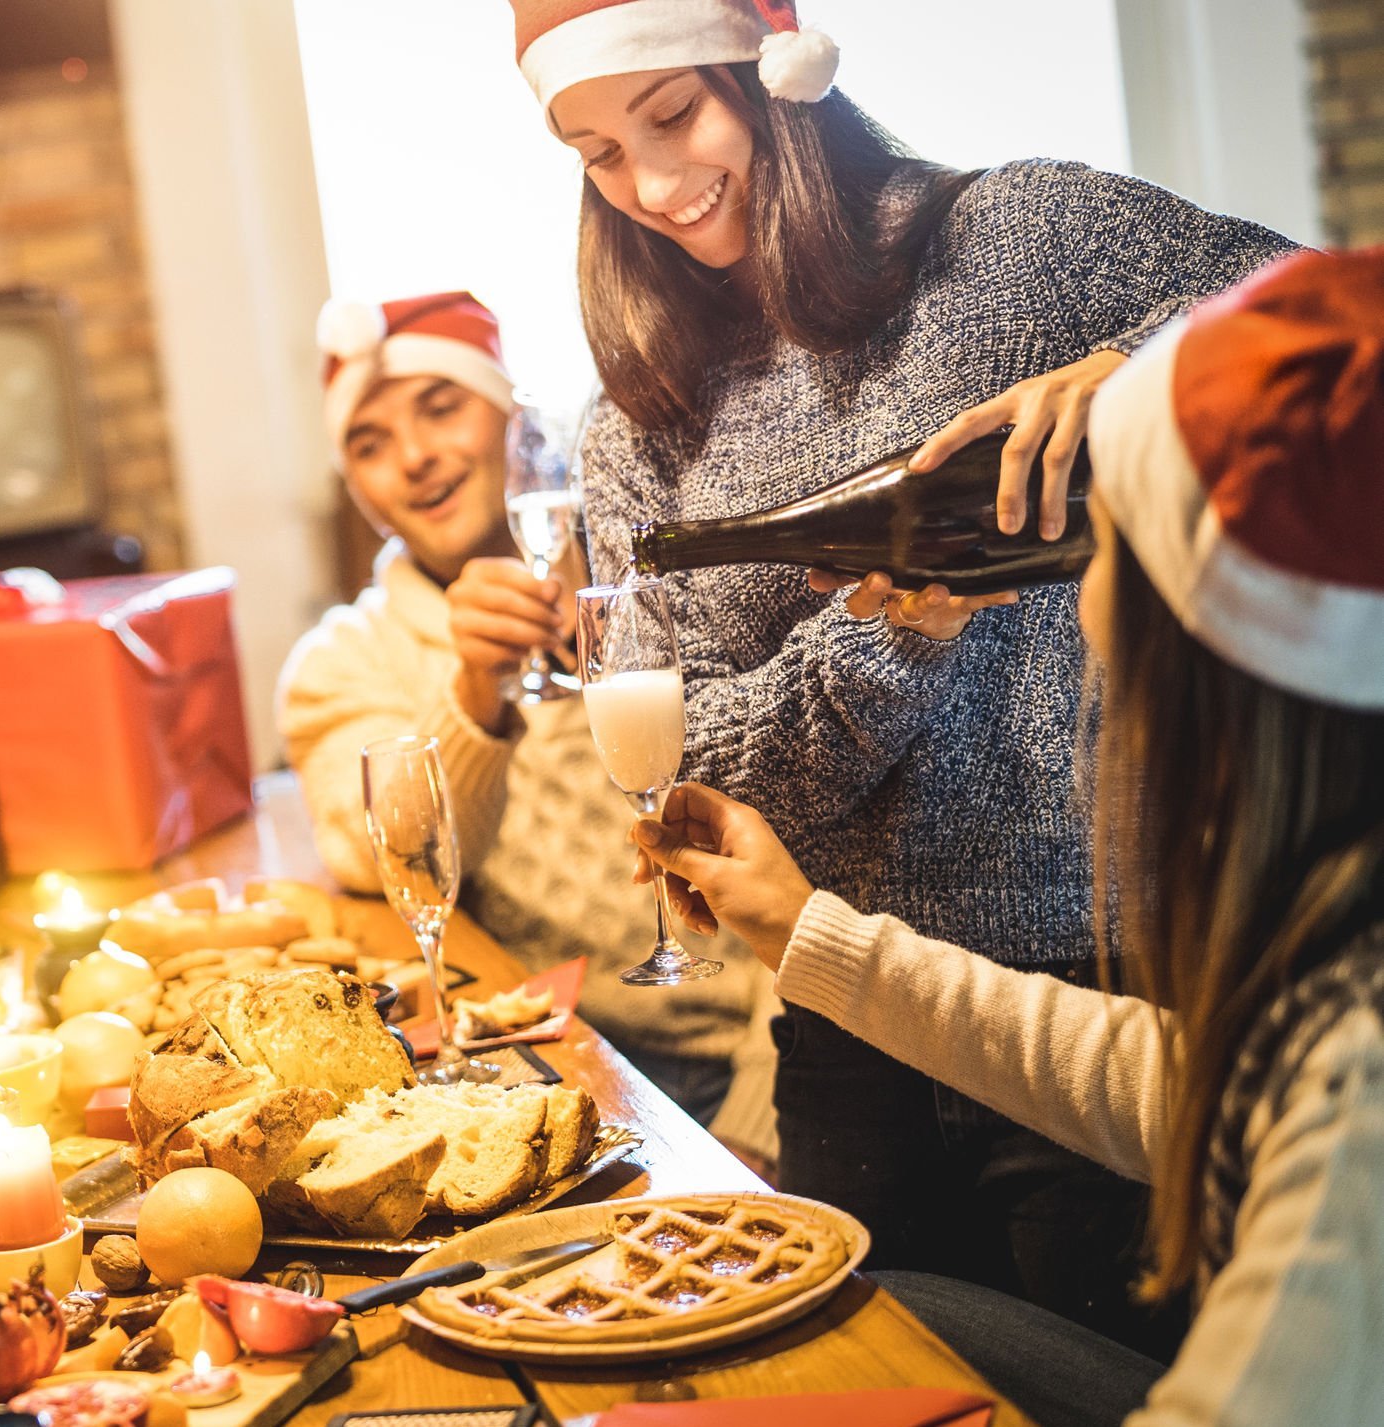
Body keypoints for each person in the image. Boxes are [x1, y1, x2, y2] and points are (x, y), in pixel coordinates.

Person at [505, 0, 1298, 1348]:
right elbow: (687, 764)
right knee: (871, 1378)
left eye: (671, 116)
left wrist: (1124, 369)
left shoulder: (1012, 237)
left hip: (1096, 994)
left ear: (771, 74)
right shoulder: (641, 418)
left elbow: (1306, 304)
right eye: (594, 154)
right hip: (839, 1014)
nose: (649, 187)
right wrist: (886, 635)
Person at [632, 246, 1384, 1427]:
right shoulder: (1333, 981)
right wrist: (801, 926)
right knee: (890, 1314)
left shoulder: (1363, 1097)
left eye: (1105, 544)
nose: (1071, 596)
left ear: (1218, 650)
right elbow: (1175, 1087)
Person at [279, 292, 777, 1163]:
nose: (416, 456)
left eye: (441, 407)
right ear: (354, 488)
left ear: (514, 419)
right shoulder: (343, 659)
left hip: (774, 1041)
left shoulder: (656, 576)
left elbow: (816, 829)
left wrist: (756, 1124)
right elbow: (383, 859)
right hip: (572, 1055)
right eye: (370, 443)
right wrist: (474, 691)